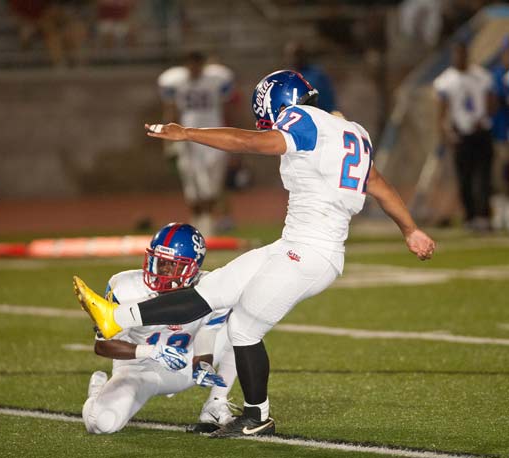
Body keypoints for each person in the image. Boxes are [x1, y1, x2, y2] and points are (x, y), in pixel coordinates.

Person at [73, 70, 436, 438]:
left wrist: (187, 133)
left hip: (311, 251)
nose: (269, 123)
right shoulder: (353, 131)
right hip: (295, 243)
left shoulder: (304, 118)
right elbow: (378, 184)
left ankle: (257, 416)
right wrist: (411, 229)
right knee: (212, 293)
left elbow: (250, 142)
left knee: (244, 327)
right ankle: (117, 316)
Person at [77, 222, 239, 435]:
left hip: (185, 364)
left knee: (241, 327)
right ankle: (98, 393)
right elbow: (102, 346)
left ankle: (216, 404)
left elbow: (208, 331)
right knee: (102, 424)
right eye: (159, 261)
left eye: (173, 264)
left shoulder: (209, 286)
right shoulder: (125, 286)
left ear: (192, 268)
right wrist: (152, 352)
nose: (163, 270)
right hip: (137, 369)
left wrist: (204, 363)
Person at [157, 51, 235, 237]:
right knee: (192, 186)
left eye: (197, 63)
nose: (194, 68)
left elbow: (228, 106)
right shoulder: (176, 81)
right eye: (191, 64)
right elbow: (171, 110)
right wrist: (167, 140)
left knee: (211, 185)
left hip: (213, 136)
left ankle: (208, 226)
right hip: (187, 137)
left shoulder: (216, 79)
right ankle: (198, 226)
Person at [434, 40, 496, 231]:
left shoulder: (481, 76)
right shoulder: (445, 80)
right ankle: (470, 217)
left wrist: (484, 116)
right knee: (465, 178)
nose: (459, 58)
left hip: (481, 131)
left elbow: (490, 101)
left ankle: (484, 217)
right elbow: (442, 111)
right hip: (461, 133)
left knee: (484, 176)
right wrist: (445, 133)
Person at [285, 40, 336, 113]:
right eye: (292, 55)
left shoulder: (317, 75)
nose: (295, 58)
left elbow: (328, 98)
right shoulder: (286, 77)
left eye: (298, 54)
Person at [490, 37, 509, 230]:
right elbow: (495, 103)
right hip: (502, 133)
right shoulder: (498, 76)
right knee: (500, 175)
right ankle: (501, 213)